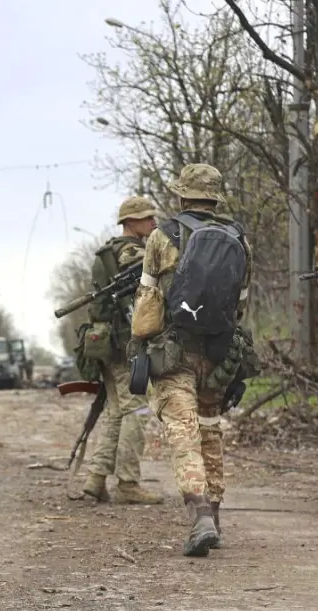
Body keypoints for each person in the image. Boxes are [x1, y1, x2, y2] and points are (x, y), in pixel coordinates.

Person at [130, 164, 252, 556]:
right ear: (215, 197)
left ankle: (198, 514)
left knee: (184, 433)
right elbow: (241, 305)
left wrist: (140, 346)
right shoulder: (237, 238)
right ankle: (214, 515)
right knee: (210, 428)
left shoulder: (162, 236)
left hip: (174, 351)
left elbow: (147, 302)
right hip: (218, 352)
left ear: (182, 195)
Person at [82, 196, 163, 505]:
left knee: (117, 411)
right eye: (146, 218)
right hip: (126, 342)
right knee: (138, 408)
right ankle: (128, 482)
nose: (153, 222)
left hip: (106, 342)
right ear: (130, 222)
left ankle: (96, 477)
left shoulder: (106, 252)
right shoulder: (133, 252)